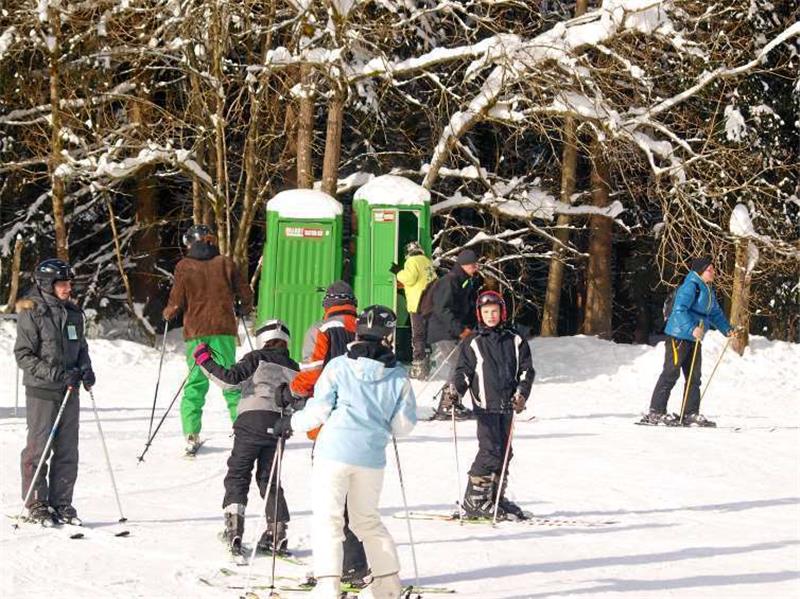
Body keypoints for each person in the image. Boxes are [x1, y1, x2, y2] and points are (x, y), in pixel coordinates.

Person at [272, 305, 417, 599]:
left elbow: (319, 411)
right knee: (366, 520)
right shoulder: (399, 377)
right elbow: (403, 426)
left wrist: (289, 422)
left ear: (358, 330)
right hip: (371, 458)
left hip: (333, 452)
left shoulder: (339, 366)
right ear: (387, 335)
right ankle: (387, 584)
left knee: (329, 519)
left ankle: (328, 585)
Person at [280, 280, 370, 585]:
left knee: (330, 501)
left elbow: (312, 371)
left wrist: (294, 392)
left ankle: (345, 567)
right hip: (364, 423)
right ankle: (357, 563)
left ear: (328, 303)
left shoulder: (322, 329)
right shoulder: (368, 328)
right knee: (355, 499)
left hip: (330, 422)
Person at [192, 319, 299, 555]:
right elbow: (301, 398)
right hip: (279, 424)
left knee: (239, 473)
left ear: (262, 338)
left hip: (251, 421)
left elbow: (229, 381)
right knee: (269, 479)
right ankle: (277, 532)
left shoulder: (255, 358)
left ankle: (234, 529)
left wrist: (204, 361)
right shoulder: (294, 366)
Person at [14, 259, 95, 526]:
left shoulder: (73, 312)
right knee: (39, 448)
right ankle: (36, 501)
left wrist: (86, 368)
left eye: (69, 283)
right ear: (47, 284)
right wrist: (56, 374)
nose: (67, 288)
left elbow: (80, 346)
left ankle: (63, 502)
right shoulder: (33, 311)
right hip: (42, 390)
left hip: (70, 390)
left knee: (68, 449)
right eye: (62, 283)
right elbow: (23, 355)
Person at [444, 290, 534, 520]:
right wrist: (456, 392)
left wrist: (522, 394)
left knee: (505, 452)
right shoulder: (473, 342)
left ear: (502, 312)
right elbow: (464, 371)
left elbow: (526, 370)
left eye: (494, 311)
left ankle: (494, 497)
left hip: (508, 405)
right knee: (489, 451)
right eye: (486, 312)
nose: (491, 316)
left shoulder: (515, 339)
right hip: (485, 405)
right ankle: (475, 500)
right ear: (479, 314)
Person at [162, 224, 253, 454]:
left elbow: (177, 299)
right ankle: (242, 430)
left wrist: (168, 313)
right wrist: (244, 307)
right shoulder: (225, 263)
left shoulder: (184, 266)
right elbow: (245, 292)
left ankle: (191, 434)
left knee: (195, 382)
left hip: (196, 332)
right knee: (231, 380)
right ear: (210, 241)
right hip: (223, 329)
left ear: (191, 242)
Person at [643, 257, 734, 427]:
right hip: (678, 336)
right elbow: (679, 310)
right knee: (671, 373)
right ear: (700, 271)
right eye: (710, 269)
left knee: (694, 377)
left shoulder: (707, 289)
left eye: (713, 269)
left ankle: (690, 413)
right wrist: (692, 328)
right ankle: (656, 412)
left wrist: (727, 329)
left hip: (694, 338)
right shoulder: (690, 286)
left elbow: (715, 313)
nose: (713, 272)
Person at [426, 248, 480, 420]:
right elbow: (443, 310)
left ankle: (453, 402)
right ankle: (447, 404)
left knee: (462, 364)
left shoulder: (465, 281)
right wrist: (459, 330)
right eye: (473, 264)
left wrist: (471, 327)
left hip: (453, 331)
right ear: (464, 265)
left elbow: (466, 308)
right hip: (444, 331)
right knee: (458, 365)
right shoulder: (450, 281)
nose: (476, 267)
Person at [390, 240, 435, 379]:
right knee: (427, 335)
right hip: (430, 303)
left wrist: (398, 272)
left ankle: (418, 366)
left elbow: (409, 279)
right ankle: (427, 364)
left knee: (418, 335)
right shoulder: (427, 261)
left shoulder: (412, 261)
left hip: (417, 304)